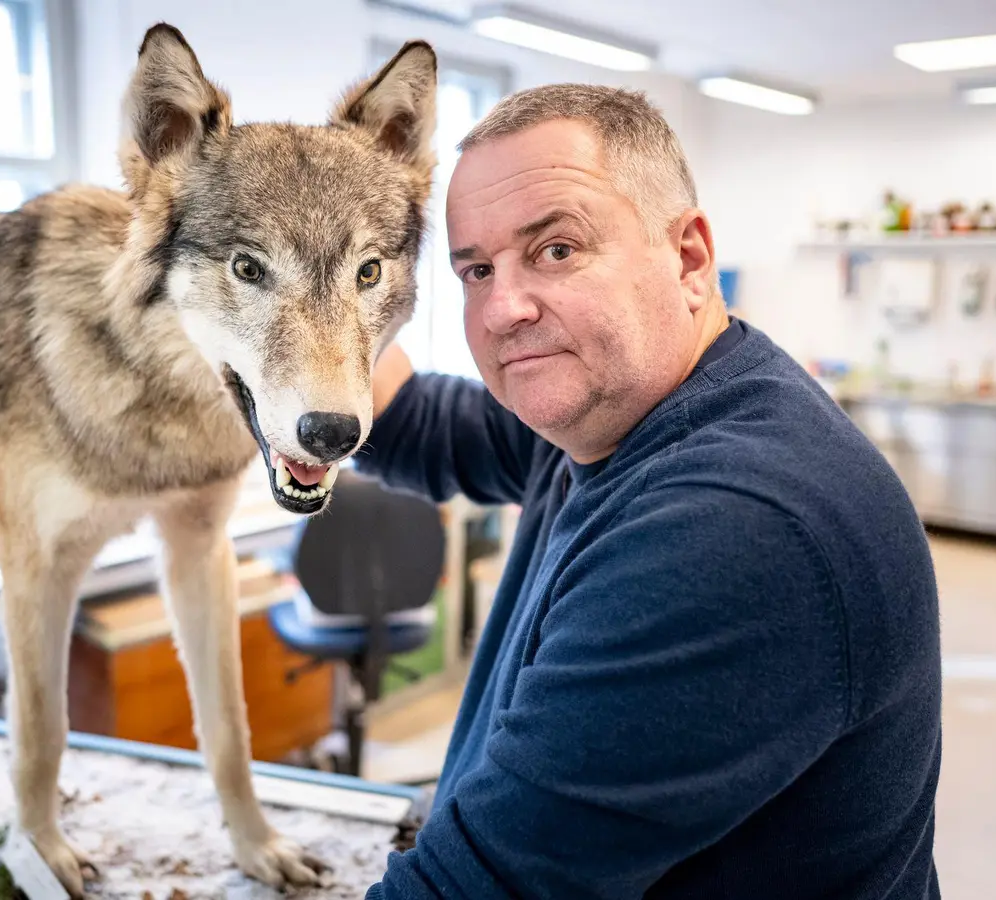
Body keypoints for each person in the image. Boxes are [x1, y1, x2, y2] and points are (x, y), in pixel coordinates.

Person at [358, 85, 942, 899]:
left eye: (556, 249)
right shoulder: (601, 410)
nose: (502, 310)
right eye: (477, 270)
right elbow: (408, 421)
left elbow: (482, 889)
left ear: (690, 260)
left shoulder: (734, 526)